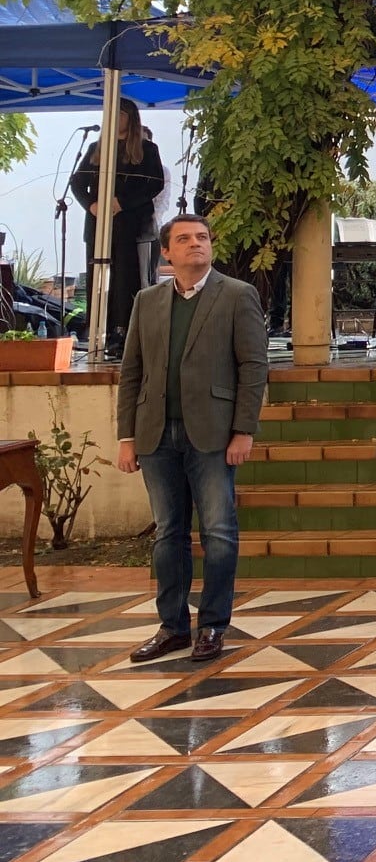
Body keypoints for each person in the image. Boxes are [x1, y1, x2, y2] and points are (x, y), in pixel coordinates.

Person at [114, 214, 269, 664]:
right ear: (166, 252)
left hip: (214, 435)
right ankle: (172, 627)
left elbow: (254, 367)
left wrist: (244, 430)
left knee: (219, 532)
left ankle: (213, 626)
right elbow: (131, 374)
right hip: (155, 434)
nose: (195, 244)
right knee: (168, 535)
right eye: (184, 239)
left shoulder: (238, 295)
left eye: (202, 238)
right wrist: (127, 436)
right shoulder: (147, 300)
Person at [71, 97, 166, 356]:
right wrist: (92, 205)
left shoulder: (147, 150)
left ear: (130, 118)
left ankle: (124, 332)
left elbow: (154, 184)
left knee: (128, 278)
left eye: (120, 115)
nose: (115, 120)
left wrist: (121, 202)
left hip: (131, 223)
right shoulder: (95, 148)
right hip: (100, 224)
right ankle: (97, 329)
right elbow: (77, 182)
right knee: (97, 277)